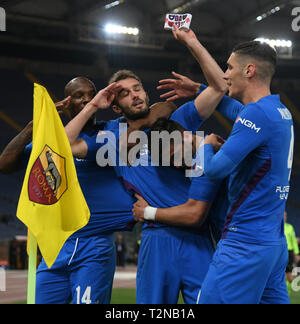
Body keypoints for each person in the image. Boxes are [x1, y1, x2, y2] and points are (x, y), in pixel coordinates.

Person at [64, 55, 227, 303]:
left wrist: (189, 41)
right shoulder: (109, 137)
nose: (135, 95)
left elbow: (219, 88)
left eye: (137, 89)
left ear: (146, 93)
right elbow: (63, 145)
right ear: (115, 107)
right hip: (155, 237)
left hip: (197, 235)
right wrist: (94, 106)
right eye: (126, 94)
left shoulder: (174, 120)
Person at [157, 27, 293, 304]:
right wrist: (198, 89)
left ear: (249, 70)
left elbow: (216, 169)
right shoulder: (279, 111)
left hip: (245, 242)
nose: (226, 74)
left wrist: (204, 146)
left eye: (229, 68)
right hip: (273, 244)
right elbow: (235, 111)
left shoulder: (256, 114)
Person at [1, 78, 141, 304]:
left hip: (94, 245)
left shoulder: (110, 131)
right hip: (56, 246)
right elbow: (5, 165)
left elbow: (151, 117)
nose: (87, 99)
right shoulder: (49, 143)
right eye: (79, 95)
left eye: (91, 94)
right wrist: (32, 126)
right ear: (66, 104)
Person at [284, 211, 300, 292]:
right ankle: (284, 290)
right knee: (281, 273)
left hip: (289, 252)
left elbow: (293, 241)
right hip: (280, 252)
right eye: (283, 215)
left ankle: (289, 290)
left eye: (286, 215)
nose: (284, 217)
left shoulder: (290, 227)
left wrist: (297, 253)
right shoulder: (276, 227)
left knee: (289, 273)